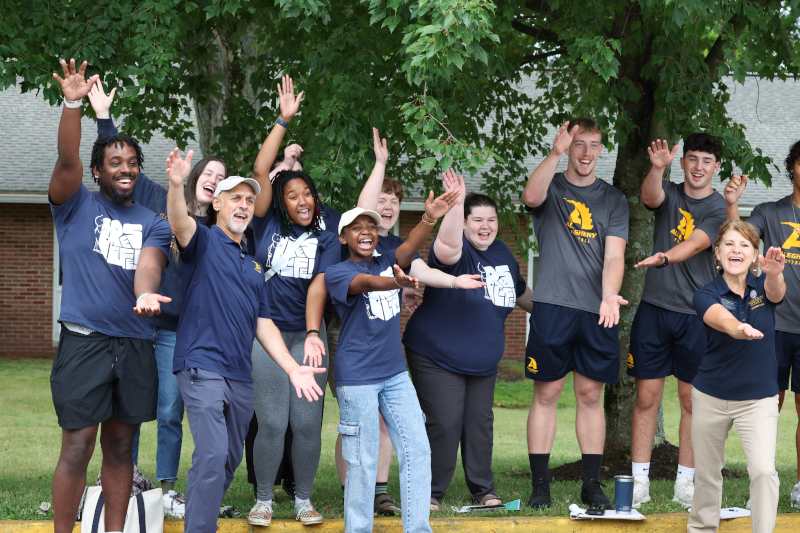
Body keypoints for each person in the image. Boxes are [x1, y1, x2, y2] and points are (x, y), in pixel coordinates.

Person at [164, 149, 325, 533]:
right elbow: (179, 222)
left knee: (229, 458)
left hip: (239, 376)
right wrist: (175, 185)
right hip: (201, 366)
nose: (244, 204)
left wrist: (292, 369)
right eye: (235, 197)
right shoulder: (202, 242)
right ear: (217, 203)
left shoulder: (253, 264)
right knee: (213, 452)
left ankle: (201, 517)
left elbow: (263, 322)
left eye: (250, 200)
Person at [88, 79, 228, 517]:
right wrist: (103, 118)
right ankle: (122, 478)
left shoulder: (222, 228)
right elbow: (117, 168)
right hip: (133, 323)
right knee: (123, 407)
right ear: (194, 175)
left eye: (221, 180)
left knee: (169, 408)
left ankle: (166, 487)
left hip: (174, 330)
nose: (214, 182)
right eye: (209, 174)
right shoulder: (159, 200)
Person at [48, 59, 171, 533]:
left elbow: (150, 266)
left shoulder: (152, 221)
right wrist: (73, 104)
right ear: (98, 171)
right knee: (77, 445)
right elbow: (67, 160)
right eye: (115, 163)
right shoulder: (75, 203)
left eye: (132, 163)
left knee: (121, 448)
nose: (125, 169)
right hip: (86, 342)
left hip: (136, 343)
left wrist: (145, 295)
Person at [340, 138, 486, 514]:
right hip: (352, 355)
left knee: (402, 430)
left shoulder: (400, 250)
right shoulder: (350, 250)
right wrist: (380, 163)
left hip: (389, 360)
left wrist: (454, 281)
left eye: (393, 201)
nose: (387, 206)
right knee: (358, 428)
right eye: (381, 200)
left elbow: (422, 270)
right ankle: (356, 492)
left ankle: (381, 492)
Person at [305, 187, 458, 533]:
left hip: (394, 374)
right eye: (357, 228)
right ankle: (358, 529)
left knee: (417, 448)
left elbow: (406, 248)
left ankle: (417, 527)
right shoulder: (339, 273)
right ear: (344, 237)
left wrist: (429, 217)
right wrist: (394, 281)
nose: (366, 232)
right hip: (357, 376)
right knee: (362, 460)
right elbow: (368, 282)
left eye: (371, 227)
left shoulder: (387, 257)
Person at [403, 171, 534, 510]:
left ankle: (483, 489)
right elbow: (446, 246)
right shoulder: (456, 251)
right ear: (464, 223)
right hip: (437, 353)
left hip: (482, 361)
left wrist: (558, 311)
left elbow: (520, 294)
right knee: (445, 422)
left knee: (479, 425)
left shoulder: (503, 253)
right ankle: (430, 492)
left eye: (491, 220)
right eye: (477, 220)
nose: (485, 226)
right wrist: (456, 204)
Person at [246, 75, 340, 527]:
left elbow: (321, 285)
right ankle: (264, 498)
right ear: (281, 202)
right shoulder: (265, 227)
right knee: (272, 422)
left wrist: (311, 333)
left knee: (305, 423)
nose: (301, 200)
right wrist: (283, 120)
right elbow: (261, 170)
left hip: (308, 335)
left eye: (307, 194)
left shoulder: (327, 235)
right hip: (266, 336)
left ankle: (303, 499)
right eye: (292, 195)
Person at [521, 118, 629, 508]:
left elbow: (615, 255)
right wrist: (555, 153)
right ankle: (540, 486)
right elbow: (530, 198)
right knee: (547, 392)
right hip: (553, 306)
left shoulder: (613, 200)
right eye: (579, 144)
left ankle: (591, 483)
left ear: (602, 149)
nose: (586, 153)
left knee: (589, 394)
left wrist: (608, 295)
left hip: (595, 310)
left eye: (594, 145)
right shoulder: (553, 185)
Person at [627, 135, 727, 508]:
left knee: (692, 401)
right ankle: (639, 482)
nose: (699, 167)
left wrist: (665, 258)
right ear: (683, 162)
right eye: (693, 159)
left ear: (716, 167)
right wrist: (656, 168)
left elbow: (699, 243)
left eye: (707, 161)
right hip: (655, 309)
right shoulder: (668, 190)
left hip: (697, 316)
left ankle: (686, 483)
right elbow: (651, 198)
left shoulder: (718, 207)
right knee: (646, 398)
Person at [688, 220, 785, 533]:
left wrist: (774, 272)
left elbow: (776, 292)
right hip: (711, 396)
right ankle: (702, 528)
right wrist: (738, 327)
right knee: (706, 474)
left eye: (744, 245)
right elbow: (718, 316)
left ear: (755, 255)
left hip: (758, 399)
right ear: (717, 253)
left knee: (763, 471)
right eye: (729, 244)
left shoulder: (762, 288)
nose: (736, 250)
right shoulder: (705, 293)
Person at [724, 143, 800, 507]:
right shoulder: (771, 212)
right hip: (775, 325)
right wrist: (733, 203)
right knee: (768, 408)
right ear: (792, 168)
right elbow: (738, 237)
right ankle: (762, 487)